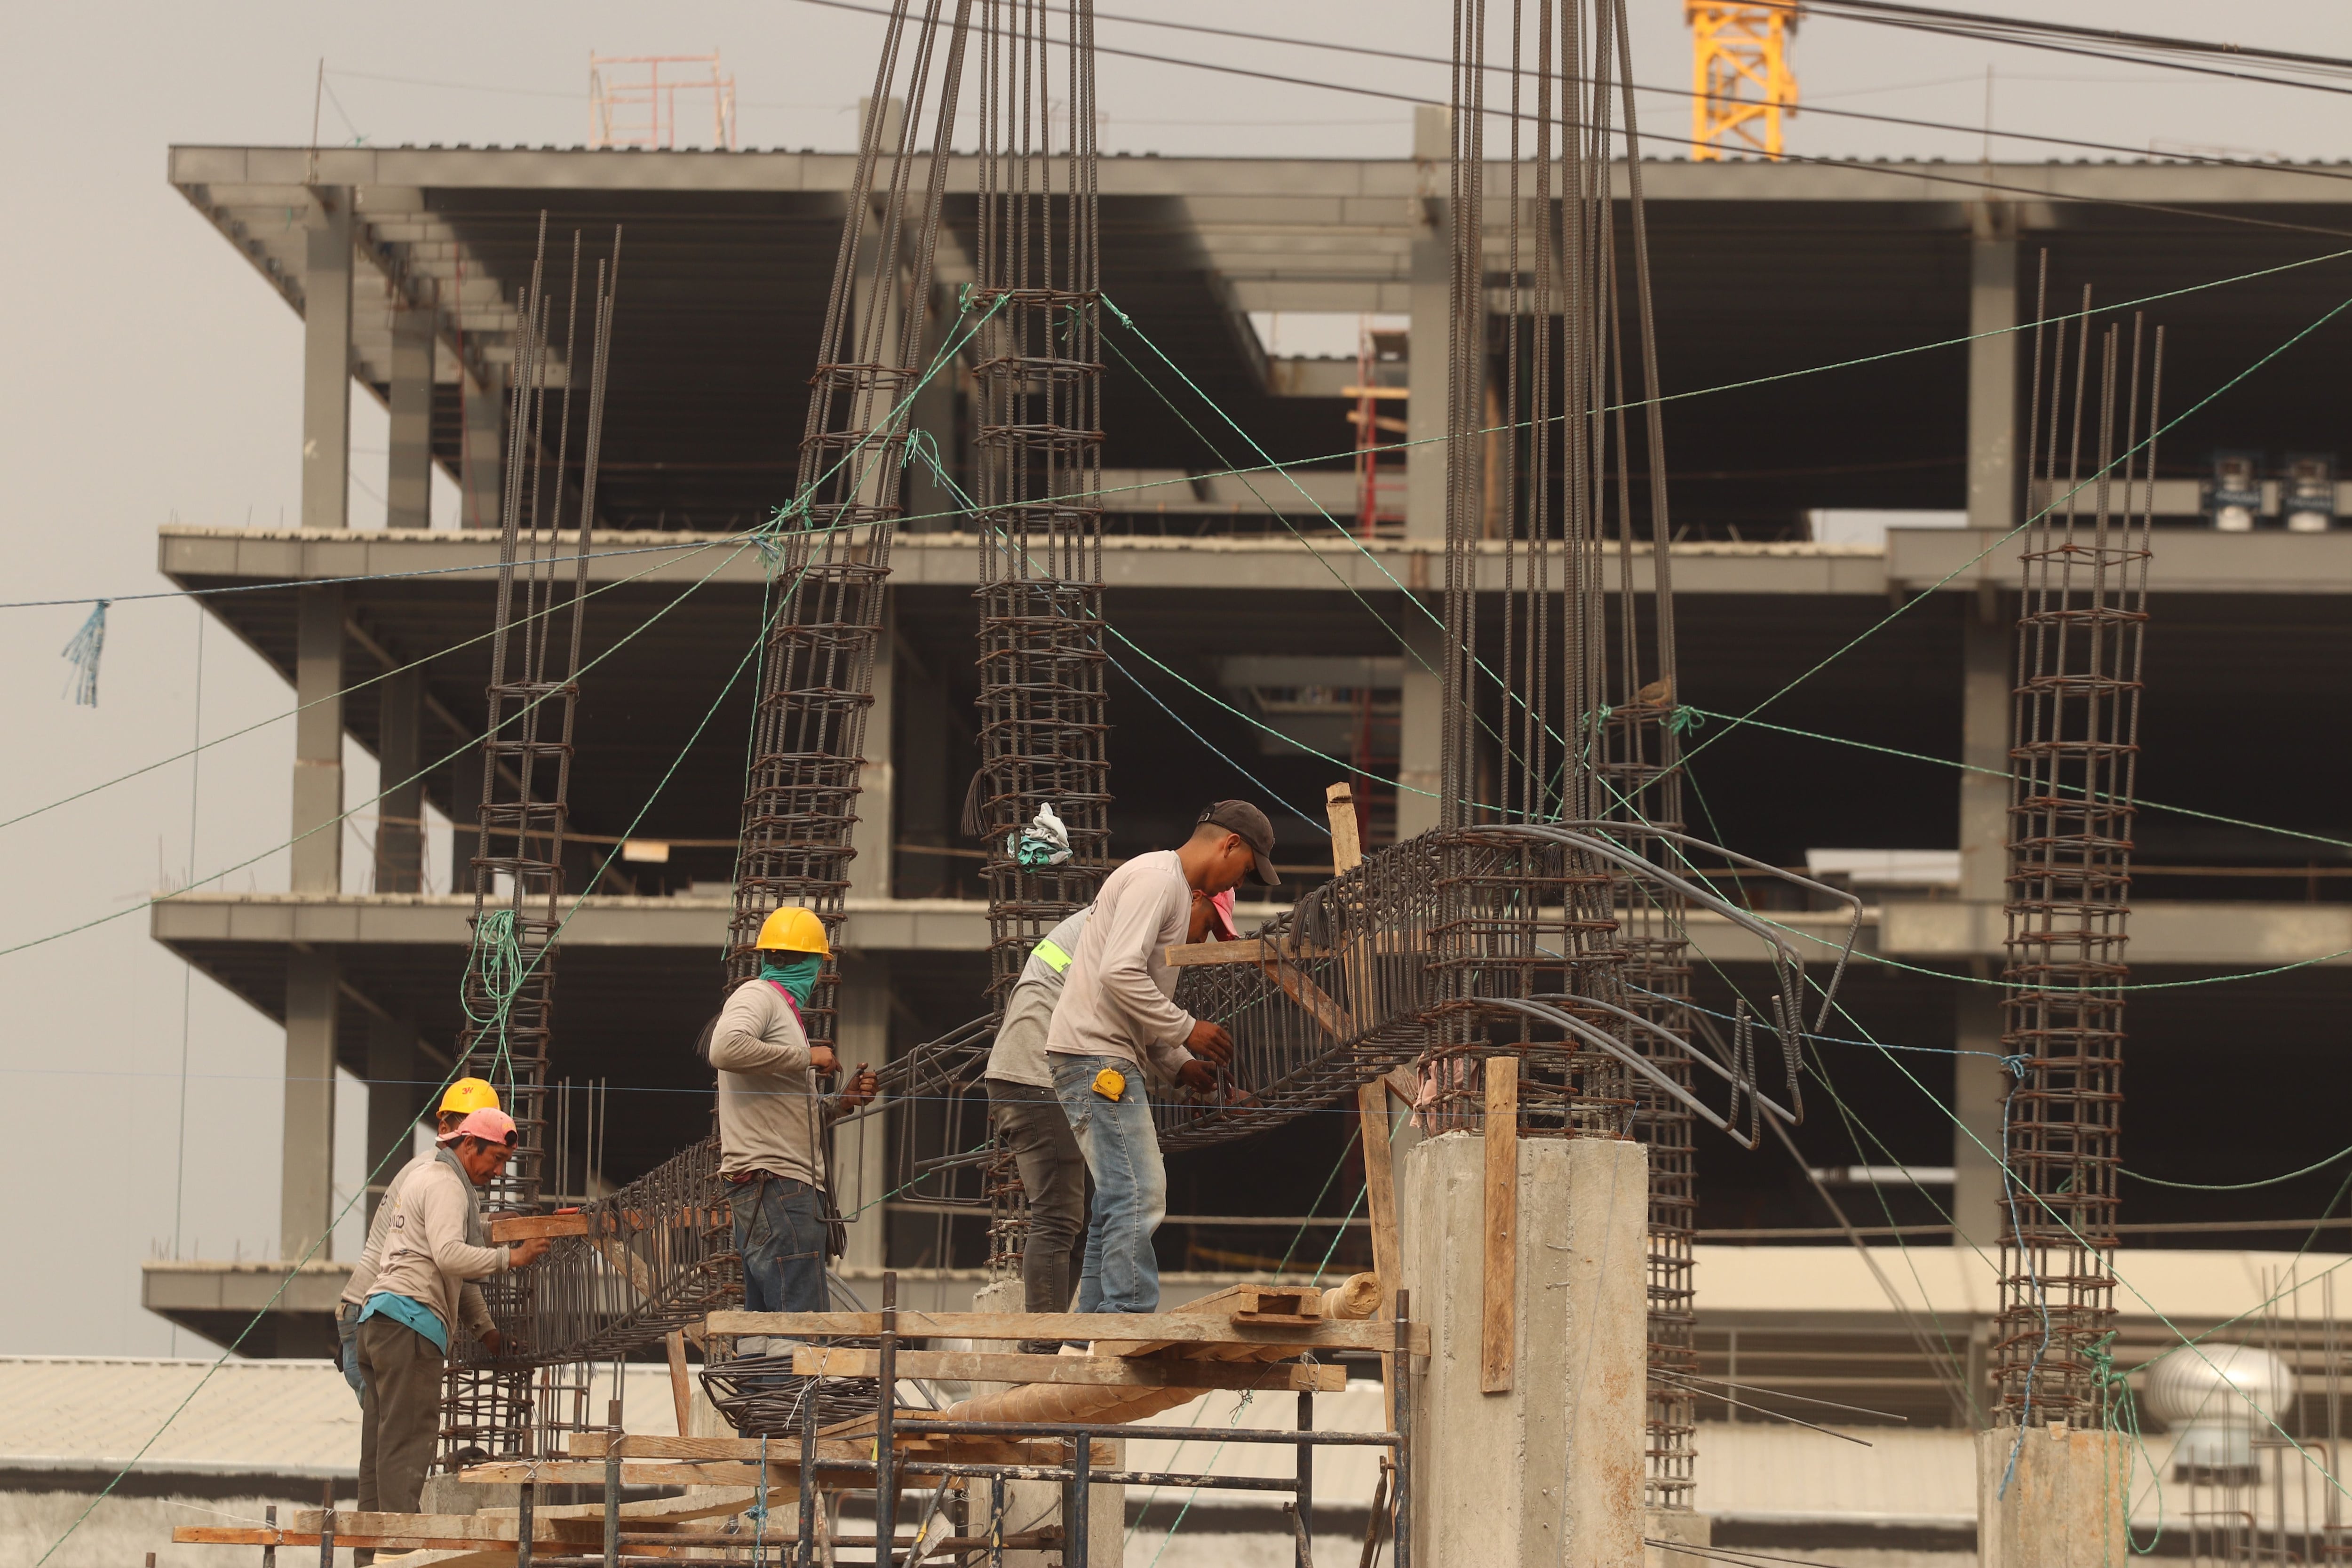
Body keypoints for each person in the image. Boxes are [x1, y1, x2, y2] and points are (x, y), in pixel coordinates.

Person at [1045, 801, 1278, 1316]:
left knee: (1114, 1200)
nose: (1233, 883)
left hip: (1099, 1052)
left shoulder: (1166, 884)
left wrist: (1178, 1064)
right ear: (1229, 844)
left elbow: (1133, 997)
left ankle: (1090, 1329)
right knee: (1141, 1190)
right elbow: (1119, 975)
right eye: (1242, 870)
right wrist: (1187, 1029)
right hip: (1096, 1059)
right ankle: (1127, 1317)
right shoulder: (1156, 879)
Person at [983, 887, 1238, 1347]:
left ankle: (1078, 1334)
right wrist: (1186, 1036)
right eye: (1208, 925)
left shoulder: (1134, 932)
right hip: (1036, 1073)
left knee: (1101, 1206)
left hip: (1051, 1070)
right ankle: (1042, 1348)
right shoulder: (1135, 924)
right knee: (1061, 1215)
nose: (1203, 940)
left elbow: (1131, 1015)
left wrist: (1184, 1068)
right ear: (1194, 899)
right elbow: (1127, 997)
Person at [356, 1108, 551, 1518]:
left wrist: (488, 1333)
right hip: (409, 1324)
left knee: (381, 1447)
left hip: (378, 1321)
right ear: (468, 1145)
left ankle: (369, 1553)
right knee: (408, 1443)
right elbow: (449, 1256)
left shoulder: (424, 1177)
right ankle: (396, 1550)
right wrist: (511, 1258)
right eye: (495, 1158)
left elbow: (449, 1271)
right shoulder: (448, 1185)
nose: (497, 1171)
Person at [711, 906, 879, 1324]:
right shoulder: (759, 996)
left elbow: (788, 1109)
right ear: (811, 963)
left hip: (777, 1187)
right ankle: (791, 1392)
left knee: (769, 1327)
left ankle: (766, 1389)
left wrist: (841, 1102)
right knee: (800, 1328)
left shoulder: (782, 1012)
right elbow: (724, 1048)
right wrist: (806, 1056)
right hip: (779, 1186)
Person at [336, 1077, 505, 1401]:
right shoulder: (438, 1174)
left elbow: (447, 1263)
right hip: (393, 1314)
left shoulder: (441, 1174)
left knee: (388, 1432)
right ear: (446, 1126)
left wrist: (486, 1331)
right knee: (401, 1432)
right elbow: (450, 1255)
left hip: (372, 1312)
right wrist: (504, 1250)